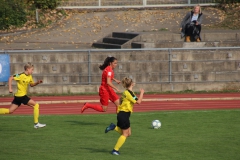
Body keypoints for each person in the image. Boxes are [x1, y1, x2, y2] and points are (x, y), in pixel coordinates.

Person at [104, 77, 144, 155]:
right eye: (132, 82)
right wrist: (142, 93)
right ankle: (115, 150)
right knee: (125, 134)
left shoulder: (128, 92)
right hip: (124, 115)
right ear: (131, 84)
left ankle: (113, 127)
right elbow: (138, 101)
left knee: (128, 134)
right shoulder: (129, 93)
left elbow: (131, 99)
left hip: (123, 114)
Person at [0, 62, 46, 129]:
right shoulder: (20, 75)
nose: (32, 71)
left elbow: (31, 84)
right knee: (36, 105)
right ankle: (36, 124)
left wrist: (37, 82)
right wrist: (10, 88)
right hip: (21, 96)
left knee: (10, 111)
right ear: (27, 69)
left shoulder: (30, 76)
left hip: (19, 97)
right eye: (32, 69)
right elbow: (11, 78)